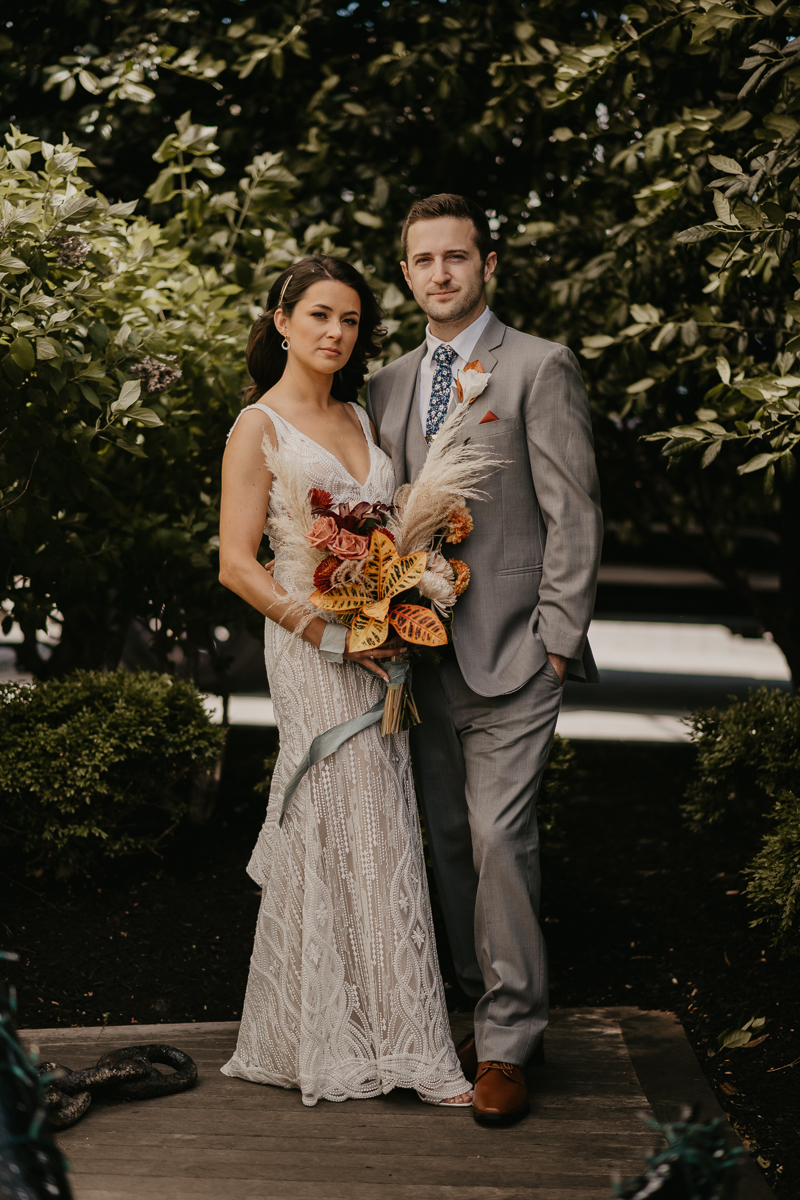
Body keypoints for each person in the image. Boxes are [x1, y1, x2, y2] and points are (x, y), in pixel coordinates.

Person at [366, 195, 603, 1125]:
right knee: (450, 847)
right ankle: (474, 1005)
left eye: (456, 258)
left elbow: (572, 513)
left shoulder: (540, 367)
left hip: (515, 657)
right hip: (414, 672)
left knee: (502, 840)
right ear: (406, 272)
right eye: (422, 261)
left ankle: (508, 1041)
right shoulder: (385, 384)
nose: (439, 275)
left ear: (488, 264)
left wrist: (557, 640)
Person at [217, 254, 472, 1108]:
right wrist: (326, 634)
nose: (336, 332)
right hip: (310, 644)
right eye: (319, 315)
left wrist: (408, 591)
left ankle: (361, 1028)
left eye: (351, 320)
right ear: (282, 320)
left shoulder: (363, 418)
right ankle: (360, 1038)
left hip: (377, 639)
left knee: (380, 818)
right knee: (342, 809)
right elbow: (235, 565)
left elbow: (388, 533)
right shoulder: (257, 426)